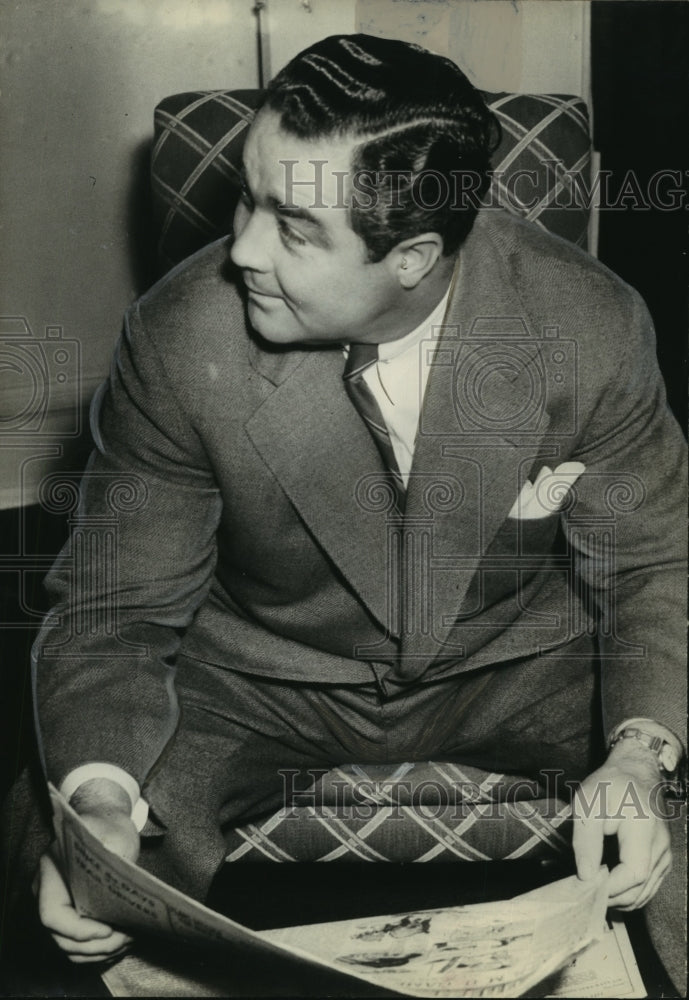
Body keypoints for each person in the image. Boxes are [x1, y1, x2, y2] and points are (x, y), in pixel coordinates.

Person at [24, 34, 686, 985]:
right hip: (259, 680)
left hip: (523, 668)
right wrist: (96, 800)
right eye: (247, 197)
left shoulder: (589, 322)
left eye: (293, 228)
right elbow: (114, 609)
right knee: (58, 851)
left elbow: (655, 566)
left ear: (413, 256)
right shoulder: (177, 338)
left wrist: (635, 755)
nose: (241, 248)